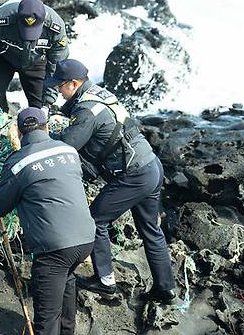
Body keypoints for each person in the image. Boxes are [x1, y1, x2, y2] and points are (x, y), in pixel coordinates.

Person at [45, 59, 177, 304]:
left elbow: (66, 146)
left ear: (73, 84)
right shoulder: (98, 93)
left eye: (60, 87)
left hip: (134, 175)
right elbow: (84, 115)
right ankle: (166, 289)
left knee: (95, 220)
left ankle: (105, 282)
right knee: (151, 230)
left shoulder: (86, 111)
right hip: (151, 166)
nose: (58, 91)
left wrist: (42, 134)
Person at [0, 107, 95, 335]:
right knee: (67, 281)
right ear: (46, 127)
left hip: (54, 249)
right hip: (85, 240)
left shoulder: (18, 162)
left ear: (19, 132)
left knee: (47, 320)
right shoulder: (69, 150)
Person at [0, 0, 69, 112]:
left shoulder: (55, 28)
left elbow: (57, 64)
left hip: (36, 62)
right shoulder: (0, 19)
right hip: (3, 58)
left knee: (40, 108)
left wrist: (48, 100)